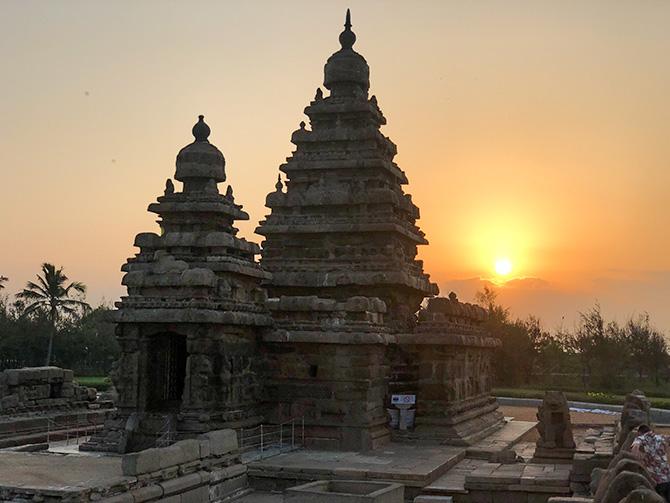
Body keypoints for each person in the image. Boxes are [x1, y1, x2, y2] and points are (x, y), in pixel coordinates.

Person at [632, 424, 670, 501]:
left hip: (656, 480)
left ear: (640, 432)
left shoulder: (641, 438)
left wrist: (637, 459)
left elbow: (635, 447)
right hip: (667, 476)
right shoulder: (661, 437)